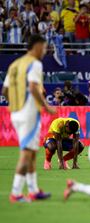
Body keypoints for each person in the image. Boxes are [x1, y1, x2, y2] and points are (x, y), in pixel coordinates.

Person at [2, 34, 56, 202]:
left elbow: (4, 91)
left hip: (16, 113)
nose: (45, 51)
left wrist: (15, 103)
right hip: (29, 113)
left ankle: (33, 190)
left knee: (32, 152)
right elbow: (33, 87)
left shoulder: (15, 64)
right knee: (26, 153)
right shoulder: (35, 64)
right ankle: (16, 192)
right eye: (45, 47)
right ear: (37, 46)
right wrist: (46, 107)